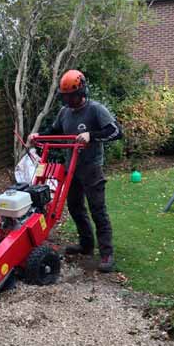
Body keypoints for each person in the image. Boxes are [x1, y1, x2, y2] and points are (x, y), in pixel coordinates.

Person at [29, 69, 122, 272]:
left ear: (81, 92)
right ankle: (86, 245)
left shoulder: (96, 109)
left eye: (71, 96)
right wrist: (39, 136)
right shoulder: (65, 112)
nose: (68, 100)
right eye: (65, 97)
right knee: (74, 206)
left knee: (98, 209)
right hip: (72, 168)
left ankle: (106, 254)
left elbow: (115, 131)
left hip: (91, 168)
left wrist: (92, 135)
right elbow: (55, 131)